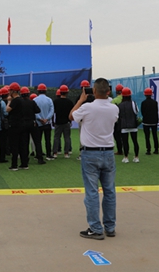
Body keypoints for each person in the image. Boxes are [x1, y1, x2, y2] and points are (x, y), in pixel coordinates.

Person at [69, 77, 119, 240]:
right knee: (109, 191)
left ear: (94, 91)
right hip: (108, 153)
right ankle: (110, 227)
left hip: (90, 153)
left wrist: (81, 100)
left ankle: (96, 228)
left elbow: (71, 116)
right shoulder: (114, 108)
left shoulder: (87, 107)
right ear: (109, 91)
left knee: (92, 192)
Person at [5, 82, 39, 170]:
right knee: (23, 145)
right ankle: (24, 164)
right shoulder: (22, 101)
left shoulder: (15, 101)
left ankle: (14, 165)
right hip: (23, 125)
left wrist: (9, 101)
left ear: (13, 91)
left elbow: (7, 110)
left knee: (14, 145)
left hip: (15, 126)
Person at [118, 87, 140, 163]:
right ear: (130, 95)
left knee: (125, 142)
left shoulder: (120, 105)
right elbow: (136, 112)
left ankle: (126, 157)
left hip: (124, 125)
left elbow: (119, 115)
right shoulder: (133, 103)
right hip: (133, 125)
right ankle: (136, 157)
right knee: (135, 141)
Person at [33, 83, 55, 161]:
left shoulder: (35, 100)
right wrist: (47, 119)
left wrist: (40, 119)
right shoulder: (49, 100)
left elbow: (34, 111)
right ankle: (49, 154)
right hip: (47, 123)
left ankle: (38, 155)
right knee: (48, 140)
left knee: (38, 141)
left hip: (38, 123)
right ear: (45, 91)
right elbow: (52, 111)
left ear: (38, 91)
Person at [53, 85, 74, 158]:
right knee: (67, 138)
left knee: (56, 137)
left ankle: (55, 153)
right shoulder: (69, 102)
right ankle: (66, 153)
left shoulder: (56, 101)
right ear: (67, 92)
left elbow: (53, 112)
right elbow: (72, 112)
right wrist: (70, 121)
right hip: (66, 122)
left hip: (58, 122)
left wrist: (53, 121)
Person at [141, 88, 159, 155]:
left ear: (145, 95)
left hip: (146, 122)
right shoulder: (155, 102)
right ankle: (156, 149)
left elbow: (142, 112)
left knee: (147, 136)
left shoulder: (143, 103)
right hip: (154, 121)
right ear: (151, 94)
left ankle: (148, 150)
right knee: (155, 135)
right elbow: (156, 111)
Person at [111, 84, 124, 156]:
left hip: (117, 121)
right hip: (125, 120)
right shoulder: (127, 99)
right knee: (124, 136)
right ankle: (126, 149)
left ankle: (120, 150)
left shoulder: (114, 100)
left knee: (117, 136)